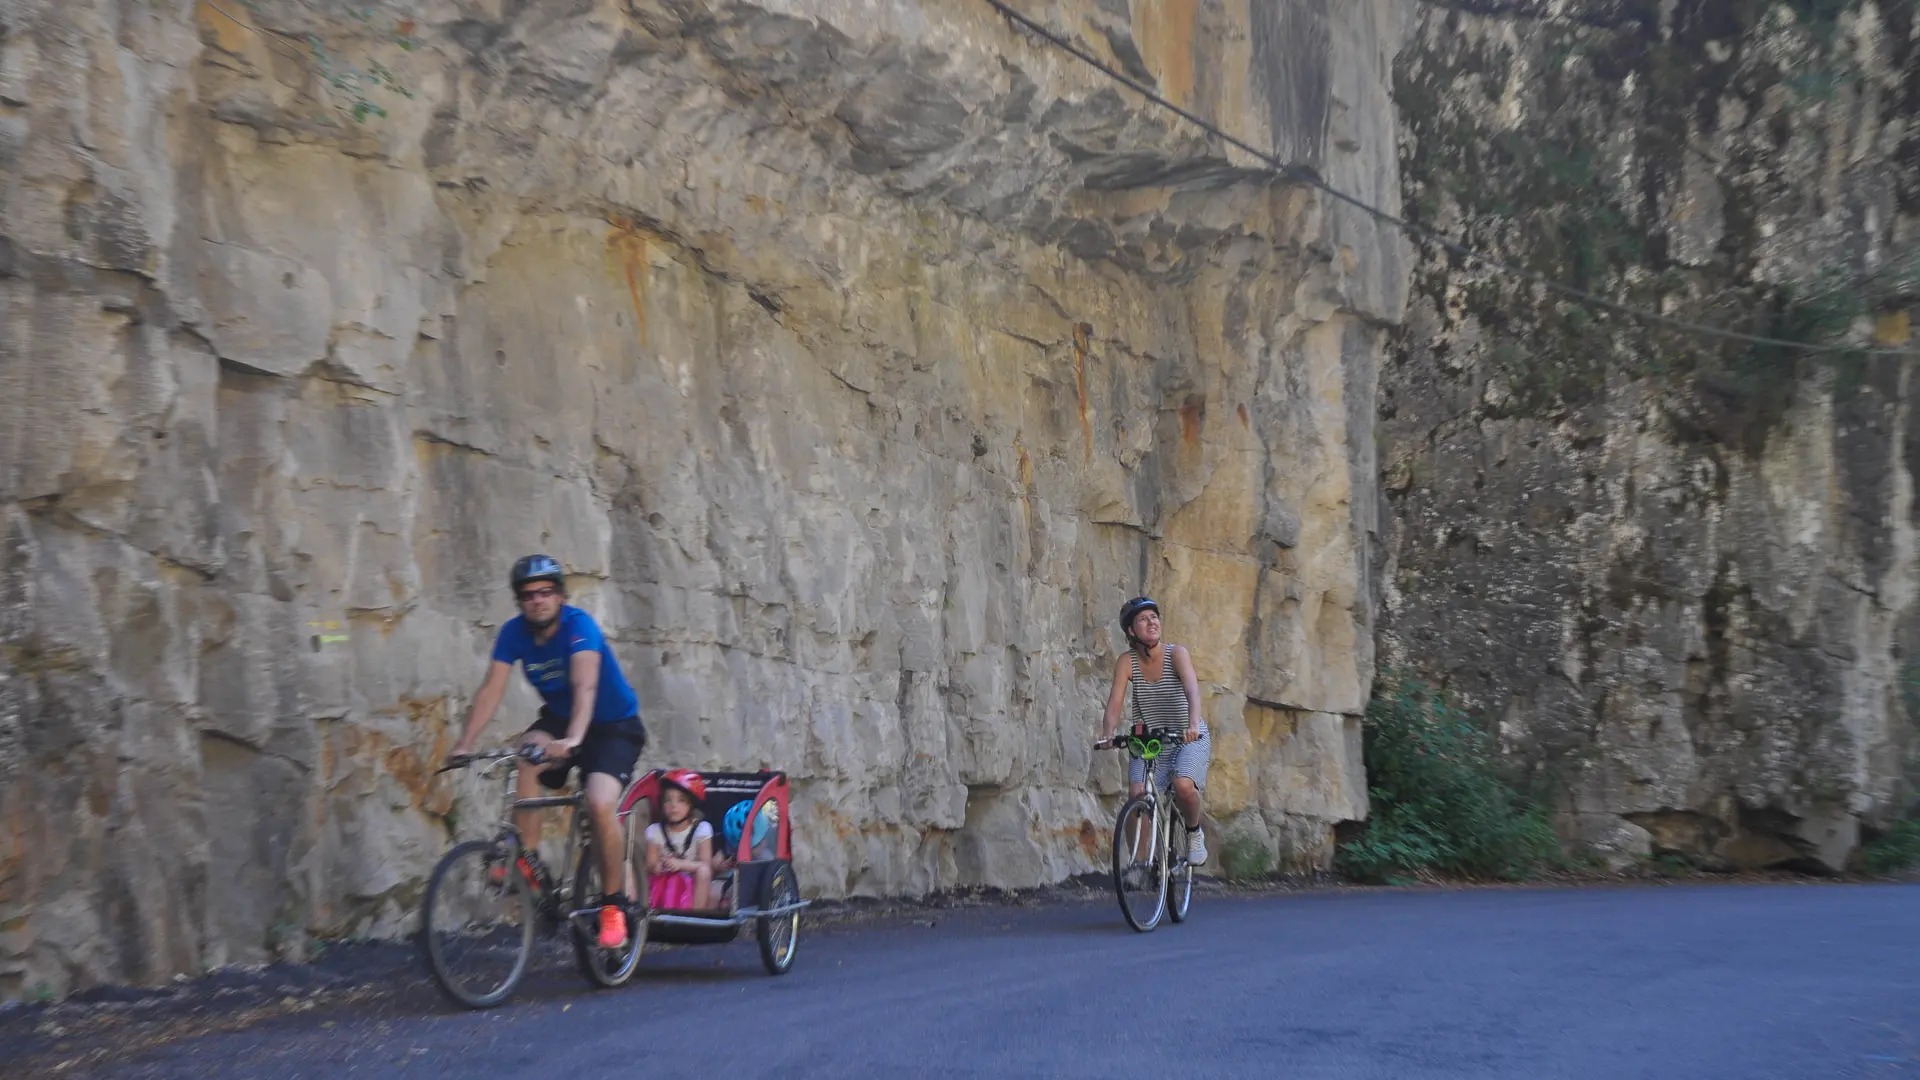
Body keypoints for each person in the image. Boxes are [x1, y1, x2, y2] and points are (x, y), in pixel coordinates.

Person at [447, 554, 648, 948]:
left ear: (560, 595)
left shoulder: (579, 628)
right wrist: (465, 741)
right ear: (519, 601)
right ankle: (527, 857)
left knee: (599, 801)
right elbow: (491, 689)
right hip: (559, 720)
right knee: (524, 754)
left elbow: (584, 687)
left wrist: (574, 740)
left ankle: (613, 906)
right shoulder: (513, 633)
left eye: (545, 592)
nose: (537, 600)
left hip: (611, 726)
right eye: (528, 595)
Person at [1098, 596, 1210, 866]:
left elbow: (1192, 691)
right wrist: (1108, 734)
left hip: (1186, 736)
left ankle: (1194, 833)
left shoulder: (1176, 654)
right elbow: (1114, 703)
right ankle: (1138, 863)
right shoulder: (1127, 662)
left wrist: (1193, 725)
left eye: (1154, 617)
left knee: (1183, 785)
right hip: (1149, 739)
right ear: (1131, 631)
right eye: (1143, 619)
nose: (1152, 622)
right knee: (1137, 795)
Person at [646, 770, 714, 910]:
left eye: (681, 800)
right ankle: (653, 915)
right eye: (667, 800)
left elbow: (706, 864)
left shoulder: (702, 829)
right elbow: (649, 864)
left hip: (693, 887)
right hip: (664, 888)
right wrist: (657, 865)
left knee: (704, 871)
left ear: (691, 804)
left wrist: (680, 865)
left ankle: (695, 918)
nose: (673, 806)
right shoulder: (655, 831)